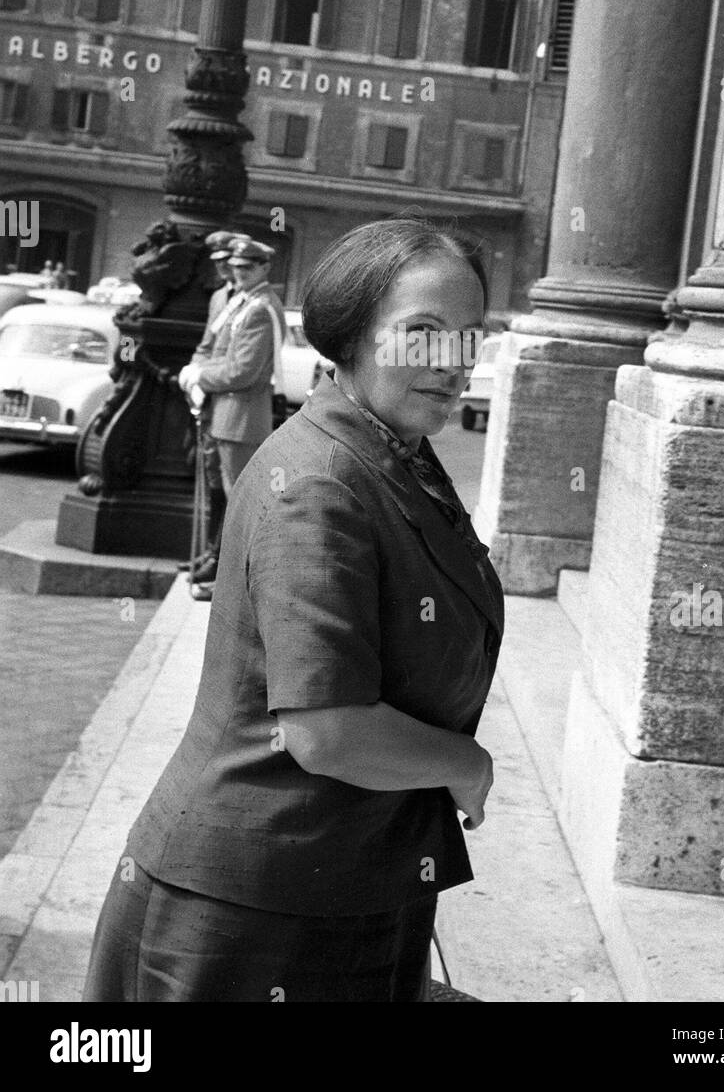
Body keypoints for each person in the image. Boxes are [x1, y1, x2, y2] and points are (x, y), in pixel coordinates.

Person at [83, 217, 502, 1003]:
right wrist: (465, 764)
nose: (454, 362)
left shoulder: (397, 453)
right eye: (423, 332)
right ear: (350, 335)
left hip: (345, 885)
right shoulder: (319, 484)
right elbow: (326, 729)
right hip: (251, 920)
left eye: (470, 336)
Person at [177, 236, 285, 598]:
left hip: (241, 415)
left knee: (241, 506)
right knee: (230, 499)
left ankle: (235, 585)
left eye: (246, 268)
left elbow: (243, 371)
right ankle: (226, 577)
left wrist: (200, 376)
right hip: (227, 413)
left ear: (264, 268)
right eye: (234, 267)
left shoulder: (259, 307)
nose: (237, 273)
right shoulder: (244, 302)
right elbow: (217, 349)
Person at [177, 230, 250, 581]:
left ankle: (219, 557)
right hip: (212, 401)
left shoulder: (253, 303)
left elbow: (243, 367)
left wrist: (202, 377)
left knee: (229, 485)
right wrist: (193, 373)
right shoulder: (222, 297)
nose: (225, 270)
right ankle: (210, 550)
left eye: (229, 263)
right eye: (219, 263)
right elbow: (207, 345)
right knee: (211, 479)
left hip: (234, 403)